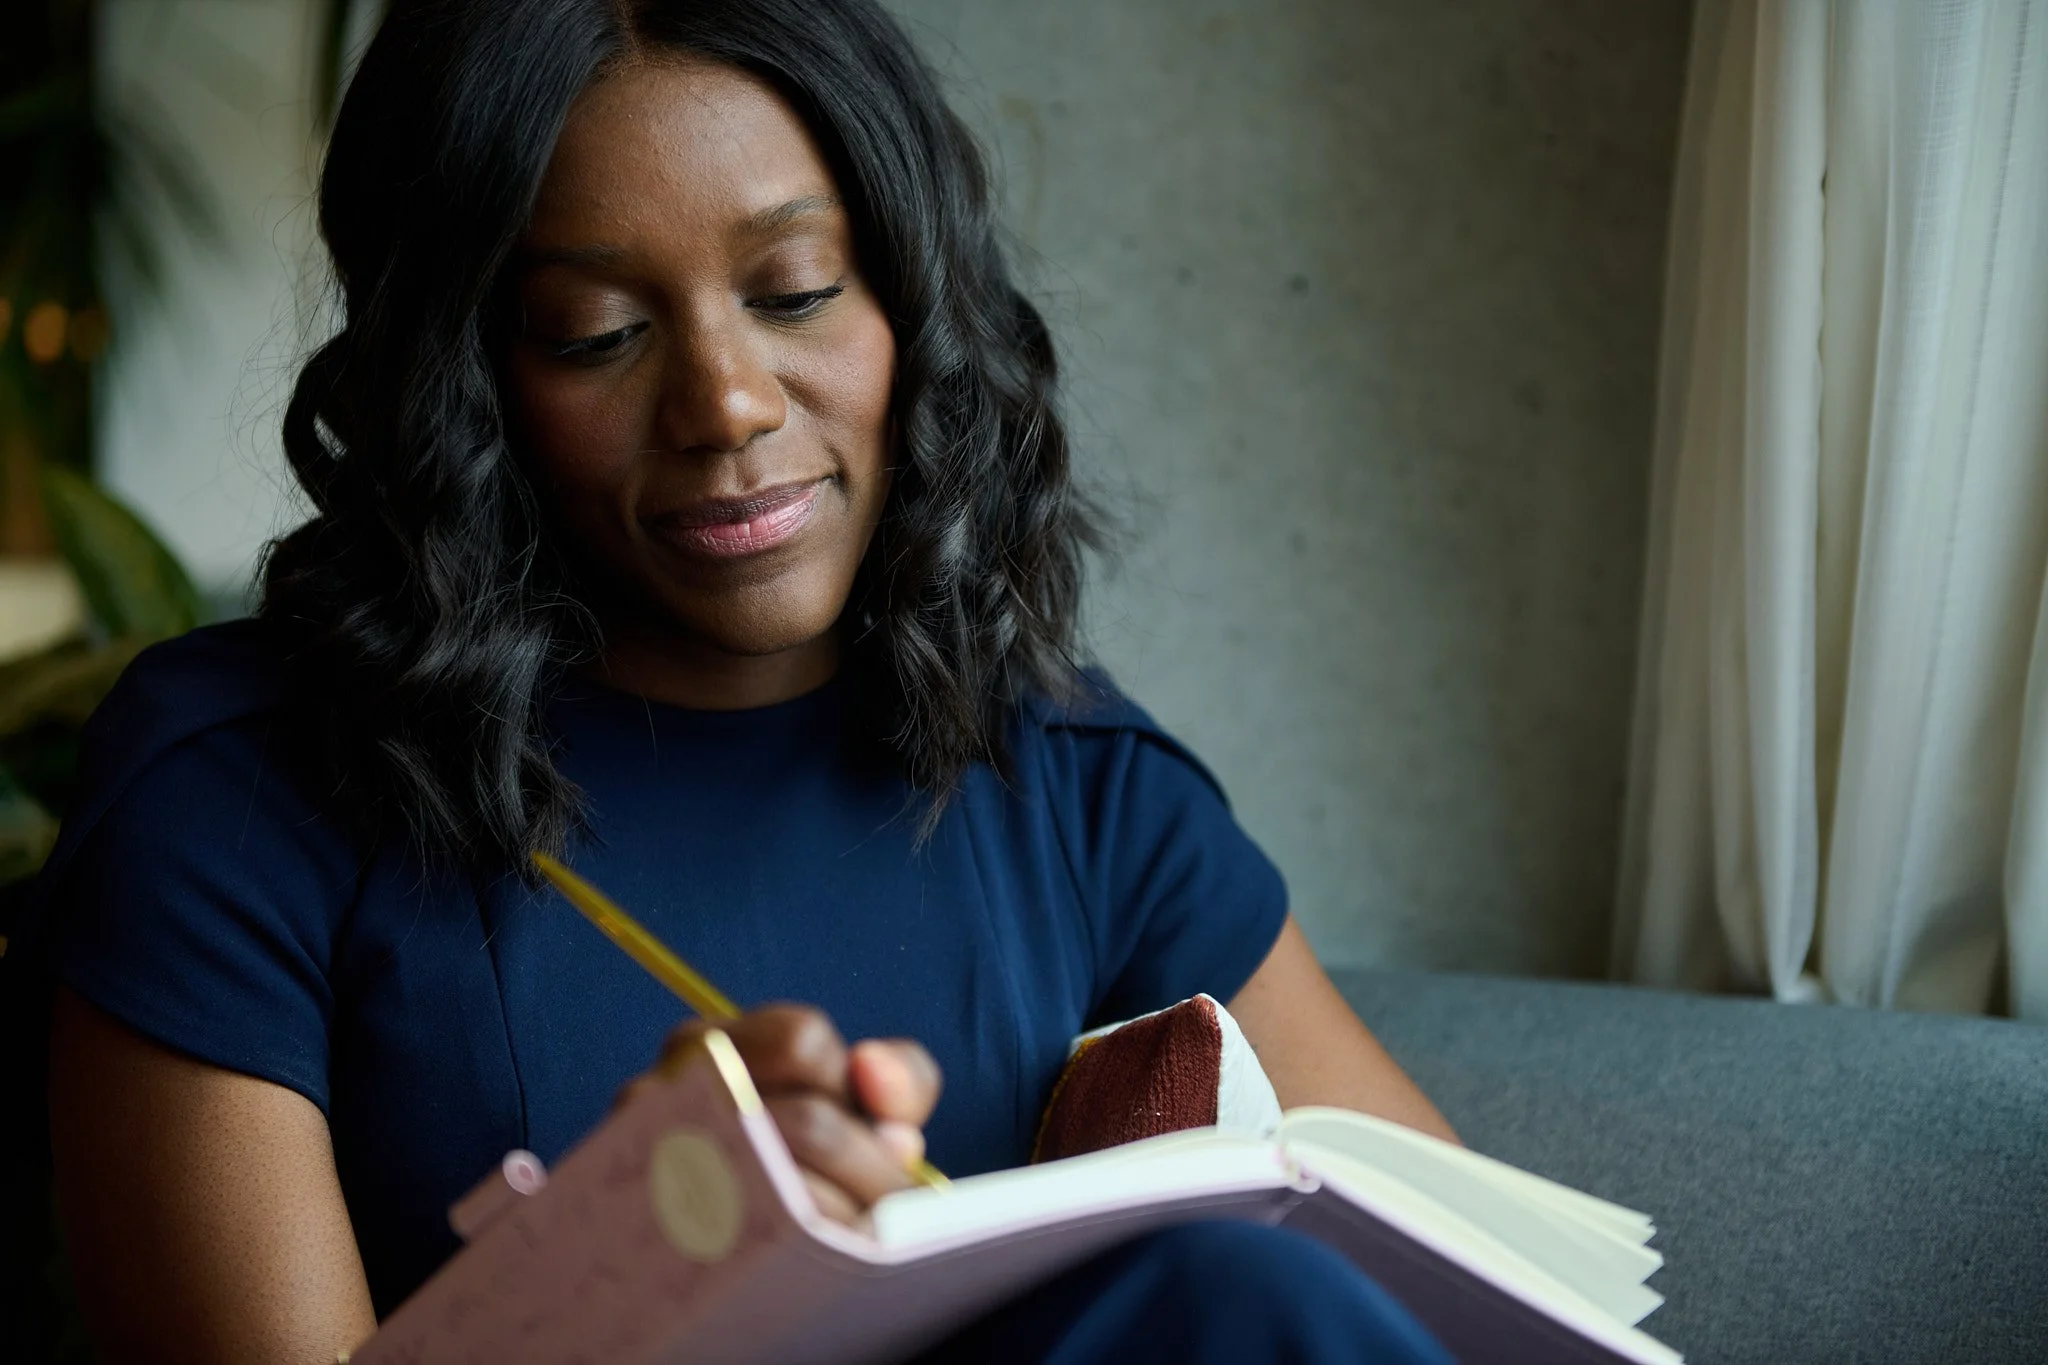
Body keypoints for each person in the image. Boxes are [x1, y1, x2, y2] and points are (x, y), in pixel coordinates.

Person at [37, 1, 1459, 1360]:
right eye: (596, 331)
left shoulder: (1075, 782)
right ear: (463, 380)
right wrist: (645, 1263)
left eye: (796, 292)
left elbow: (1460, 1283)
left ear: (914, 300)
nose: (726, 401)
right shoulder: (236, 786)